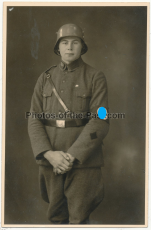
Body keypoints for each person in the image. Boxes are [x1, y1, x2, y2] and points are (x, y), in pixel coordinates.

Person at [28, 23, 109, 224]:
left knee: (78, 220)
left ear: (83, 46)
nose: (70, 47)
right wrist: (48, 154)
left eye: (75, 42)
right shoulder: (45, 78)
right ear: (58, 47)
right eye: (64, 43)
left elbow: (101, 120)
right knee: (56, 218)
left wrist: (72, 156)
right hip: (51, 160)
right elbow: (34, 118)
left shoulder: (95, 77)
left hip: (83, 162)